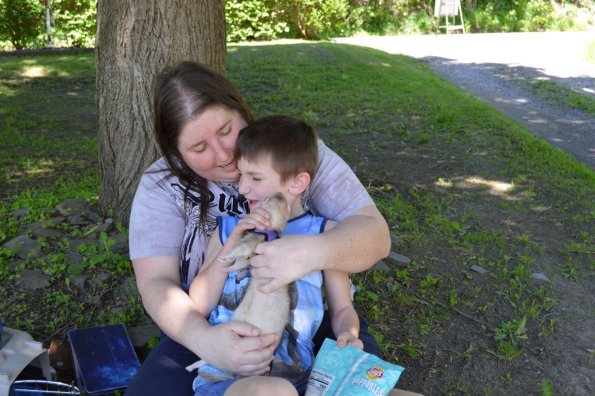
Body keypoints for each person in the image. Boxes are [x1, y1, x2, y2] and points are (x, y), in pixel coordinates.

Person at [126, 61, 391, 395]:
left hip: (309, 327)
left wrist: (313, 251)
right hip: (207, 327)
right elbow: (156, 283)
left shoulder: (291, 154)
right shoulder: (161, 186)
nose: (224, 155)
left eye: (225, 131)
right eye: (199, 148)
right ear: (176, 153)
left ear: (242, 111)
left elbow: (376, 236)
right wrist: (207, 342)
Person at [189, 115, 363, 395]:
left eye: (255, 178)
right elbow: (198, 304)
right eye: (241, 175)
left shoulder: (324, 236)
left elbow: (342, 308)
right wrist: (232, 244)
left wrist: (349, 334)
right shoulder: (229, 229)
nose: (243, 188)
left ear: (296, 183)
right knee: (274, 392)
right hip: (229, 378)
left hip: (303, 378)